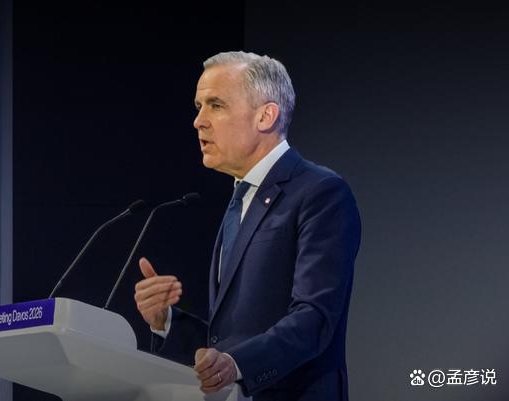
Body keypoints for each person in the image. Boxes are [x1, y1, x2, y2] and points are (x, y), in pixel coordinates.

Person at [133, 51, 361, 401]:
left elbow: (315, 318)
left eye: (215, 105)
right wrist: (166, 321)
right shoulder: (240, 198)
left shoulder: (320, 192)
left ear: (265, 116)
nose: (198, 121)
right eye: (199, 106)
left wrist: (237, 364)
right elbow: (227, 341)